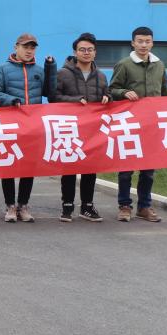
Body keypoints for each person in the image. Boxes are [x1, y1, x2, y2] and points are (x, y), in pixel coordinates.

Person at [108, 26, 167, 222]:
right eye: (140, 41)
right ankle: (124, 206)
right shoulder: (124, 64)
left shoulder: (159, 65)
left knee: (148, 170)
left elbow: (164, 91)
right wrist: (123, 93)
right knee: (126, 169)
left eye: (147, 41)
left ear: (152, 43)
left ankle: (144, 207)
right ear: (133, 43)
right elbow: (112, 89)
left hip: (152, 125)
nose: (143, 45)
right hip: (130, 125)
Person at [0, 33, 56, 223]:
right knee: (8, 165)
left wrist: (51, 69)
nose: (29, 51)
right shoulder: (2, 69)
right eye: (25, 47)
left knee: (29, 165)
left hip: (32, 125)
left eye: (32, 47)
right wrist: (11, 100)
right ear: (16, 47)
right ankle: (10, 205)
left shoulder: (39, 70)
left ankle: (23, 205)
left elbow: (50, 94)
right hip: (9, 124)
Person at [54, 33, 109, 223]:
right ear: (75, 52)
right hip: (70, 128)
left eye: (90, 50)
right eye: (82, 49)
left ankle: (87, 206)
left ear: (95, 52)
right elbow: (54, 97)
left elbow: (107, 94)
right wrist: (75, 100)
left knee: (90, 168)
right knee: (69, 167)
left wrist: (107, 97)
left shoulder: (101, 75)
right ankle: (67, 206)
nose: (86, 53)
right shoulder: (63, 73)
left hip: (92, 130)